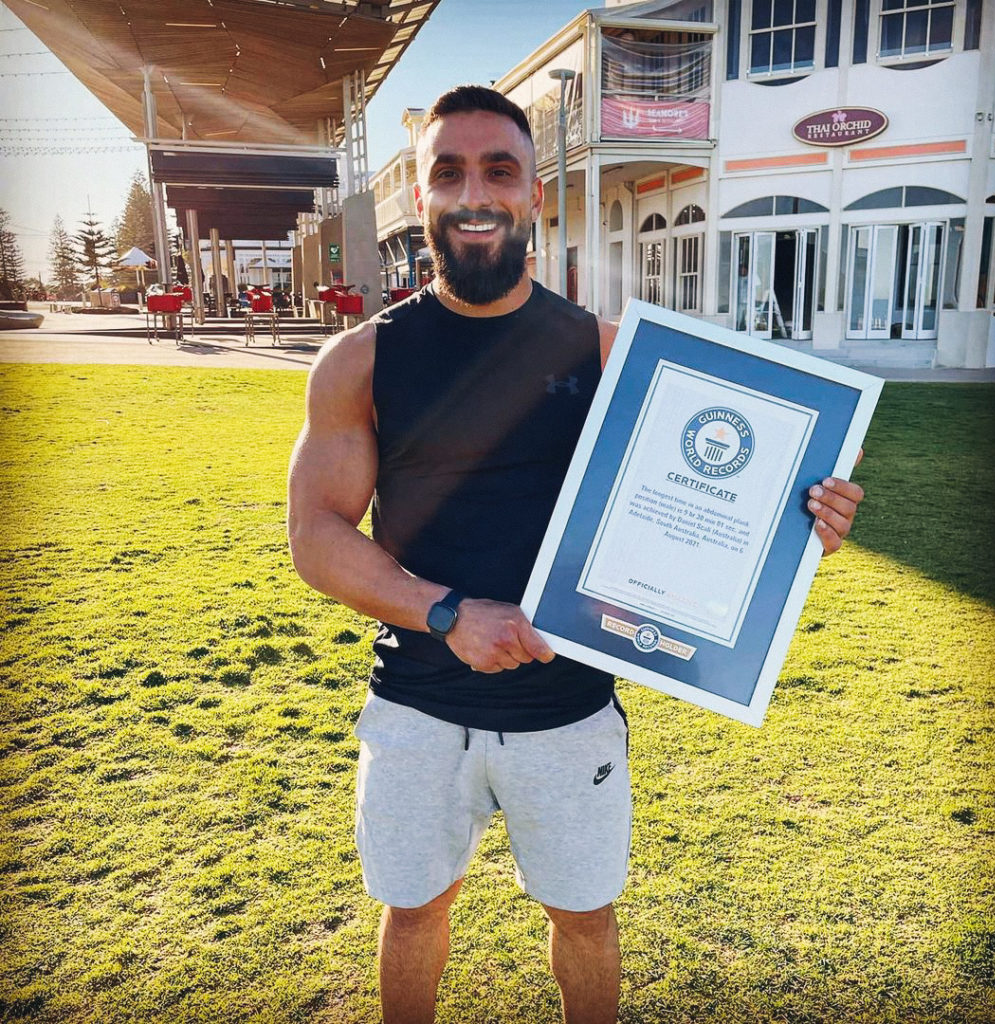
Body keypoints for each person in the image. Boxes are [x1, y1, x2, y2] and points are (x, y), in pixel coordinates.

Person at [287, 85, 864, 1024]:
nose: (475, 194)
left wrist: (805, 522)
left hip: (568, 710)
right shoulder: (362, 359)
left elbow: (711, 504)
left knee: (586, 921)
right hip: (417, 707)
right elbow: (315, 533)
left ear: (535, 194)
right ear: (422, 199)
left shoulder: (609, 354)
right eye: (449, 173)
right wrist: (446, 614)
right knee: (415, 910)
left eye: (499, 171)